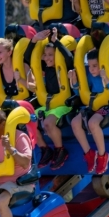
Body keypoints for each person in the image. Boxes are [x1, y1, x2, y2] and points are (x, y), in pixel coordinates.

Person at [27, 32, 77, 171]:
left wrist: (56, 41)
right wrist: (34, 40)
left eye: (51, 55)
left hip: (63, 105)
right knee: (28, 120)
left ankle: (60, 150)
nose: (47, 58)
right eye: (46, 55)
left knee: (48, 123)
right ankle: (45, 149)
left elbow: (68, 57)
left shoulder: (63, 67)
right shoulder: (46, 68)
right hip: (48, 105)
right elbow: (27, 58)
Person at [71, 52, 109, 175]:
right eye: (89, 66)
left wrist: (106, 78)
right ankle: (89, 154)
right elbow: (80, 94)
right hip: (93, 105)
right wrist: (74, 82)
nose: (91, 69)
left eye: (95, 66)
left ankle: (103, 156)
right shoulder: (90, 75)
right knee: (75, 123)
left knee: (93, 123)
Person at [0, 38, 25, 103]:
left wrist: (20, 79)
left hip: (23, 103)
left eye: (0, 52)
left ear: (9, 53)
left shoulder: (22, 66)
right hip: (6, 104)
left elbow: (34, 88)